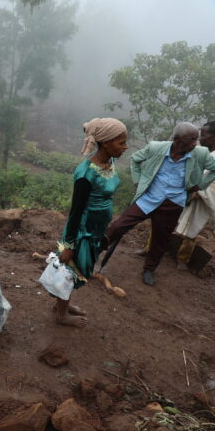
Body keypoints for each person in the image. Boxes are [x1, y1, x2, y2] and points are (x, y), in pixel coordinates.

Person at [105, 122, 215, 286]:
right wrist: (138, 182)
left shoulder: (200, 153)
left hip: (173, 203)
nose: (195, 143)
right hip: (148, 198)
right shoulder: (156, 147)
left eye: (196, 139)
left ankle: (149, 269)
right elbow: (135, 159)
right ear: (177, 139)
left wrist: (202, 184)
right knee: (119, 226)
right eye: (191, 140)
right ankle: (94, 250)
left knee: (160, 240)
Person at [56, 118, 128, 327]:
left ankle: (62, 305)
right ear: (106, 143)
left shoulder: (109, 162)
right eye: (121, 143)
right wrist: (69, 245)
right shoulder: (86, 175)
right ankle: (61, 315)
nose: (126, 147)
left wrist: (103, 232)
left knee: (78, 272)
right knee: (69, 273)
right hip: (81, 233)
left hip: (95, 231)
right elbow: (75, 213)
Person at [137, 121, 215, 271]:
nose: (200, 139)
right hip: (180, 194)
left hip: (201, 199)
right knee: (160, 221)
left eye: (204, 135)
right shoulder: (194, 149)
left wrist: (199, 189)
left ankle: (182, 259)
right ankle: (149, 249)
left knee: (193, 228)